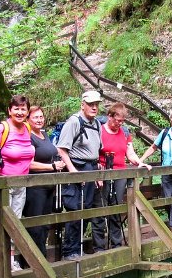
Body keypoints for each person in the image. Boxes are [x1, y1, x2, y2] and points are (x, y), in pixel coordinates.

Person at [57, 90, 104, 260]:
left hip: (90, 169)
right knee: (75, 209)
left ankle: (77, 248)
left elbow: (97, 152)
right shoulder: (74, 122)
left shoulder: (97, 124)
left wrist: (98, 174)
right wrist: (73, 171)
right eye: (90, 104)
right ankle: (70, 251)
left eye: (96, 104)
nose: (94, 107)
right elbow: (62, 149)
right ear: (82, 104)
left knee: (86, 209)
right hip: (76, 168)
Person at [94, 102, 148, 250]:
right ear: (109, 116)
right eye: (117, 120)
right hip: (102, 174)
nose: (119, 124)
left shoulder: (124, 132)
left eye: (122, 121)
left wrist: (140, 163)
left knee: (116, 208)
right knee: (100, 209)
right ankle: (98, 246)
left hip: (120, 173)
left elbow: (129, 153)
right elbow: (93, 152)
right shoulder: (99, 130)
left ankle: (116, 244)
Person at [0, 94, 37, 270]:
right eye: (16, 108)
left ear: (27, 111)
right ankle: (1, 260)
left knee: (16, 222)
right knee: (3, 221)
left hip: (21, 183)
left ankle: (11, 259)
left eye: (23, 109)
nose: (19, 112)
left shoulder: (27, 128)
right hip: (4, 183)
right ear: (9, 110)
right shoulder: (2, 128)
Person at [22, 106, 65, 262]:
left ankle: (42, 257)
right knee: (35, 225)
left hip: (49, 186)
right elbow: (28, 163)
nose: (39, 120)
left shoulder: (44, 134)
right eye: (35, 117)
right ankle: (34, 260)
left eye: (41, 117)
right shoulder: (28, 137)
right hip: (35, 186)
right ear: (28, 119)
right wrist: (51, 167)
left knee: (45, 224)